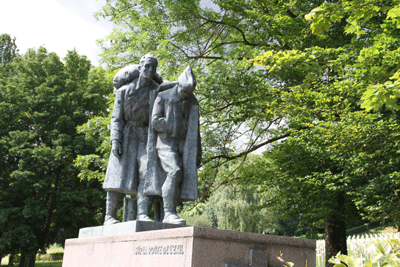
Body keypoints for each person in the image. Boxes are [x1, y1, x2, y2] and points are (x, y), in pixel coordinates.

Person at [103, 54, 160, 225]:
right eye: (147, 66)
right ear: (140, 67)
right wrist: (115, 140)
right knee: (116, 175)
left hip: (145, 136)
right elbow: (116, 118)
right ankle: (109, 216)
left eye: (153, 67)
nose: (150, 70)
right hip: (126, 134)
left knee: (146, 171)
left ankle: (143, 213)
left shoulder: (157, 91)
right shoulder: (124, 91)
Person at [145, 66, 202, 225]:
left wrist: (198, 152)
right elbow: (155, 121)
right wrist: (172, 125)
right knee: (175, 171)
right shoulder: (163, 96)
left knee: (182, 177)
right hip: (165, 143)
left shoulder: (192, 101)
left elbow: (196, 129)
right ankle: (169, 213)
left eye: (189, 92)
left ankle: (169, 211)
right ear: (179, 85)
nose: (186, 95)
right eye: (184, 91)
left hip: (184, 146)